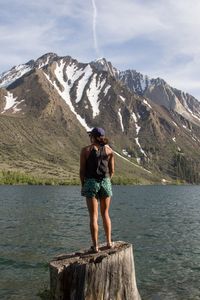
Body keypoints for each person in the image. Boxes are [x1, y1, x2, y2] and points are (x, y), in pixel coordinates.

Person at [80, 127, 114, 253]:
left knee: (93, 216)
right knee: (105, 214)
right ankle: (109, 243)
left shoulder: (85, 150)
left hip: (91, 182)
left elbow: (82, 171)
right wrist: (106, 181)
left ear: (92, 137)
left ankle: (96, 246)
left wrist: (83, 184)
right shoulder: (109, 150)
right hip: (105, 182)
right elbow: (112, 171)